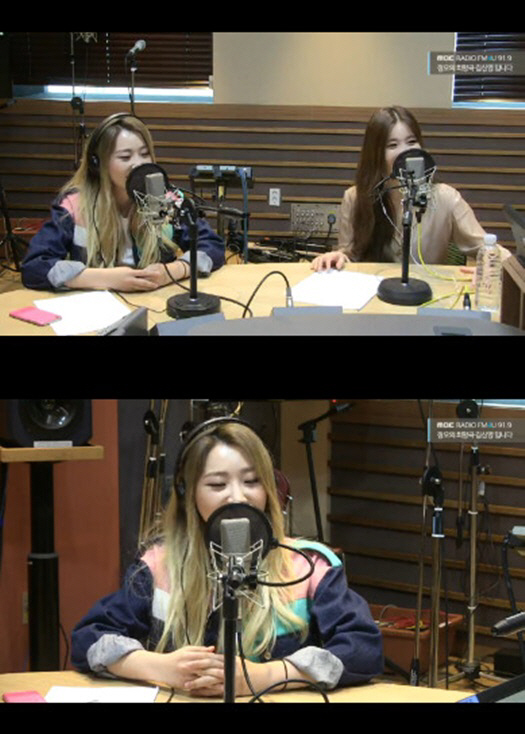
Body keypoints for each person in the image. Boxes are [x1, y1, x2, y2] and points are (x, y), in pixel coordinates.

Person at [71, 419, 383, 698]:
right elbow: (89, 639)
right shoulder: (158, 566)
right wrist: (159, 667)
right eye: (217, 485)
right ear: (188, 493)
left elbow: (363, 650)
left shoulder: (311, 567)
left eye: (252, 481)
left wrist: (266, 676)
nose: (237, 496)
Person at [21, 113, 225, 292]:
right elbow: (35, 267)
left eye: (145, 154)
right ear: (98, 164)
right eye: (125, 157)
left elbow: (212, 246)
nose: (139, 164)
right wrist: (107, 279)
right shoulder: (73, 206)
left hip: (156, 302)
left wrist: (173, 271)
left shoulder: (170, 200)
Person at [312, 105, 504, 271]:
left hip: (427, 295)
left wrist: (489, 268)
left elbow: (491, 250)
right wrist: (338, 257)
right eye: (393, 145)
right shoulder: (355, 198)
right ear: (376, 155)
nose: (406, 152)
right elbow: (349, 254)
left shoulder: (446, 198)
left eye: (412, 142)